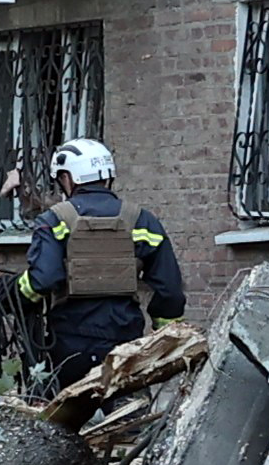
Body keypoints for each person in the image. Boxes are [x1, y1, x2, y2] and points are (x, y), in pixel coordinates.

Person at [17, 136, 180, 385]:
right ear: (107, 177)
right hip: (125, 343)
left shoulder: (55, 220)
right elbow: (169, 289)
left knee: (60, 421)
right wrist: (163, 332)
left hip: (69, 346)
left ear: (67, 178)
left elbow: (43, 279)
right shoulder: (142, 220)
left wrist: (12, 294)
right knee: (128, 417)